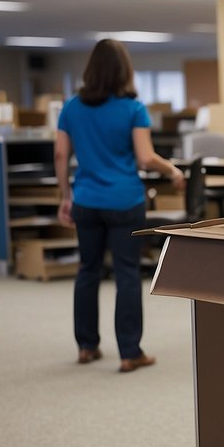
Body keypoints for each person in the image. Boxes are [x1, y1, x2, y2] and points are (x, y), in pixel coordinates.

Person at [54, 38, 186, 373]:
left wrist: (64, 197)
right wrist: (171, 169)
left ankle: (86, 346)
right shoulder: (132, 108)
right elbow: (144, 157)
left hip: (86, 199)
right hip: (124, 200)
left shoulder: (71, 107)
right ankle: (130, 352)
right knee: (127, 274)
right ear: (124, 71)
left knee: (88, 270)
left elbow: (60, 154)